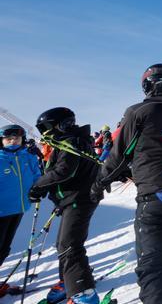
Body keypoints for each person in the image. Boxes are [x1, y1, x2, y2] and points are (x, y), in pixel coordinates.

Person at [92, 63, 162, 304]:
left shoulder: (139, 112)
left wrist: (99, 183)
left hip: (158, 194)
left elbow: (120, 154)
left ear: (147, 85)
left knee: (151, 261)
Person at [29, 107, 101, 304]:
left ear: (60, 125)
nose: (45, 133)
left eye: (46, 127)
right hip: (72, 199)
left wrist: (38, 185)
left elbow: (64, 171)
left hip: (79, 199)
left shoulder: (71, 142)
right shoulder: (69, 141)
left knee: (69, 246)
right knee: (64, 244)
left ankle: (83, 294)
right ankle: (69, 282)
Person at [0, 124, 42, 297]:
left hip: (19, 208)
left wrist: (37, 190)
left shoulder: (28, 157)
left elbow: (36, 177)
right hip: (1, 210)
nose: (12, 141)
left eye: (16, 138)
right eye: (8, 139)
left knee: (4, 248)